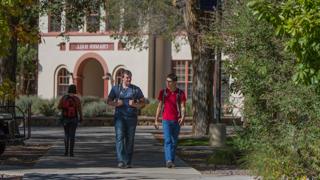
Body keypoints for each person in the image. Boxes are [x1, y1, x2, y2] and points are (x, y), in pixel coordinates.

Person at [107, 69, 145, 168]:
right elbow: (108, 101)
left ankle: (128, 161)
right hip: (119, 118)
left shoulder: (136, 89)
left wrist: (135, 104)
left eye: (130, 77)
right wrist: (116, 104)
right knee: (119, 138)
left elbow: (143, 103)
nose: (129, 79)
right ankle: (120, 161)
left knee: (130, 140)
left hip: (131, 119)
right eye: (127, 77)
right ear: (122, 78)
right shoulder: (116, 89)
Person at [154, 73, 186, 168]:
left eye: (169, 81)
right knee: (167, 140)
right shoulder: (163, 92)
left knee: (174, 142)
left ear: (175, 82)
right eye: (166, 81)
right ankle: (168, 160)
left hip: (176, 120)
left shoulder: (180, 93)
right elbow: (159, 106)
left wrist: (183, 117)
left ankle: (171, 160)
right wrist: (156, 119)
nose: (167, 83)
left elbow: (183, 106)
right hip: (166, 120)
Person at [58, 84, 83, 157]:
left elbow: (58, 107)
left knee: (66, 135)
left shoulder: (64, 98)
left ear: (68, 90)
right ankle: (71, 153)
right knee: (72, 135)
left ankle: (66, 152)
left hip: (65, 118)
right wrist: (81, 117)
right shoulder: (77, 99)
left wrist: (64, 108)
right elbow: (79, 110)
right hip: (74, 119)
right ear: (75, 90)